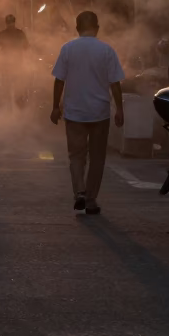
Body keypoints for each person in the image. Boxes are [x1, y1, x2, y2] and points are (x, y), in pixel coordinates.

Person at [50, 11, 124, 215]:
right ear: (97, 28)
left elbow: (59, 80)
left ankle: (79, 192)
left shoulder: (67, 49)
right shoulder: (107, 50)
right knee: (97, 157)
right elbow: (115, 83)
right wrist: (120, 109)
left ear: (77, 28)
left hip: (74, 112)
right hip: (100, 112)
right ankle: (91, 199)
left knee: (76, 155)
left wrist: (56, 106)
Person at [0, 14, 30, 105]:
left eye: (11, 22)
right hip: (7, 65)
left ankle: (17, 103)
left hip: (17, 64)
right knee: (7, 85)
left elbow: (26, 47)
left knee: (17, 85)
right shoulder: (6, 34)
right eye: (9, 22)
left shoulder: (18, 33)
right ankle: (9, 103)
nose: (10, 24)